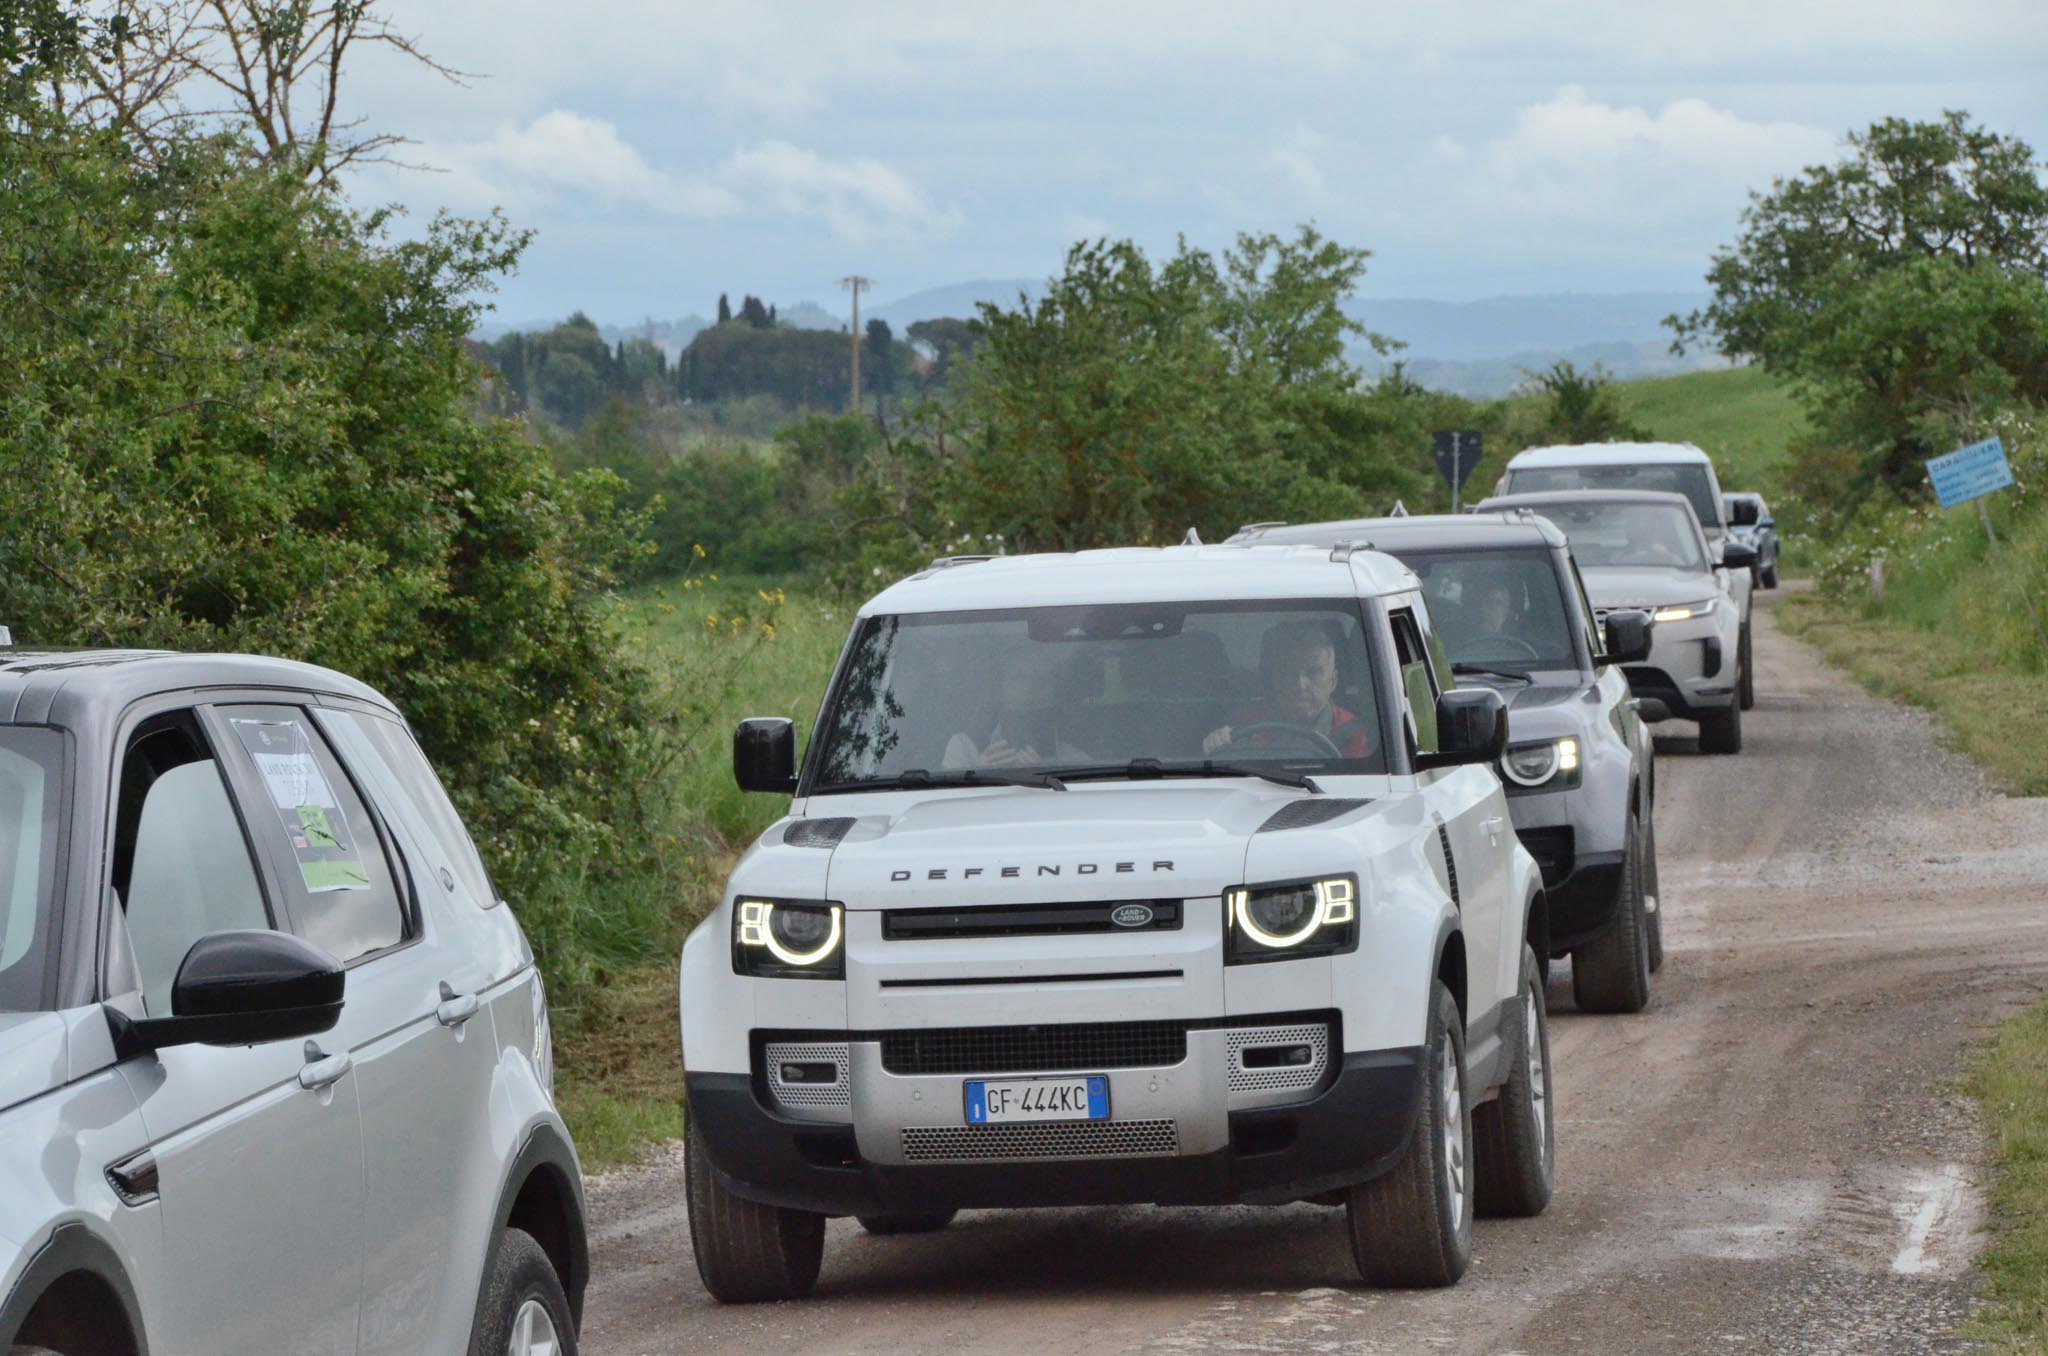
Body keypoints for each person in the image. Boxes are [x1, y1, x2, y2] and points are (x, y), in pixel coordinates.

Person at [1202, 621, 1370, 759]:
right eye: (1288, 673)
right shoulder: (1243, 725)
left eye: (1313, 673)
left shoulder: (1355, 735)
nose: (1300, 684)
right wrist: (1216, 744)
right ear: (1275, 680)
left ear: (1333, 682)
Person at [942, 641, 1091, 768]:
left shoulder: (1076, 762)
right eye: (1018, 678)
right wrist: (978, 775)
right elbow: (946, 799)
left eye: (1040, 679)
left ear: (1053, 692)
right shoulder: (964, 748)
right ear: (1000, 689)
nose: (1030, 688)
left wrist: (1047, 779)